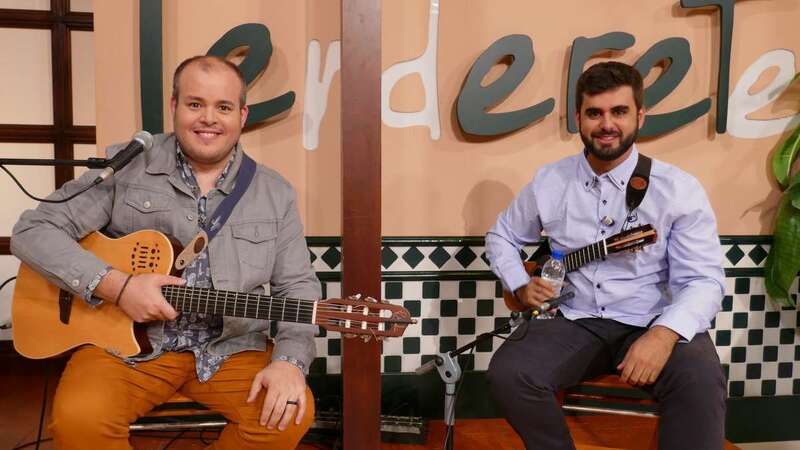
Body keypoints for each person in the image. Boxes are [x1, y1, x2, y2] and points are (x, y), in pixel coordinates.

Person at [11, 55, 319, 449]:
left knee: (288, 413)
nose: (209, 118)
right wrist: (117, 286)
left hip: (230, 349)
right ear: (174, 107)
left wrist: (290, 361)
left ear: (241, 116)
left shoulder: (275, 193)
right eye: (195, 104)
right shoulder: (127, 167)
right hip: (127, 348)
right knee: (79, 421)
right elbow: (33, 230)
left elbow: (298, 287)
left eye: (223, 107)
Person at [485, 61, 727, 450]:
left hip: (653, 317)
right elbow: (502, 236)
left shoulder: (678, 189)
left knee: (700, 381)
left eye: (619, 111)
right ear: (578, 118)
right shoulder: (549, 181)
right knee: (510, 372)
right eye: (595, 113)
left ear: (640, 116)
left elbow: (704, 281)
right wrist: (519, 282)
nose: (606, 124)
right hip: (576, 319)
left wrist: (663, 335)